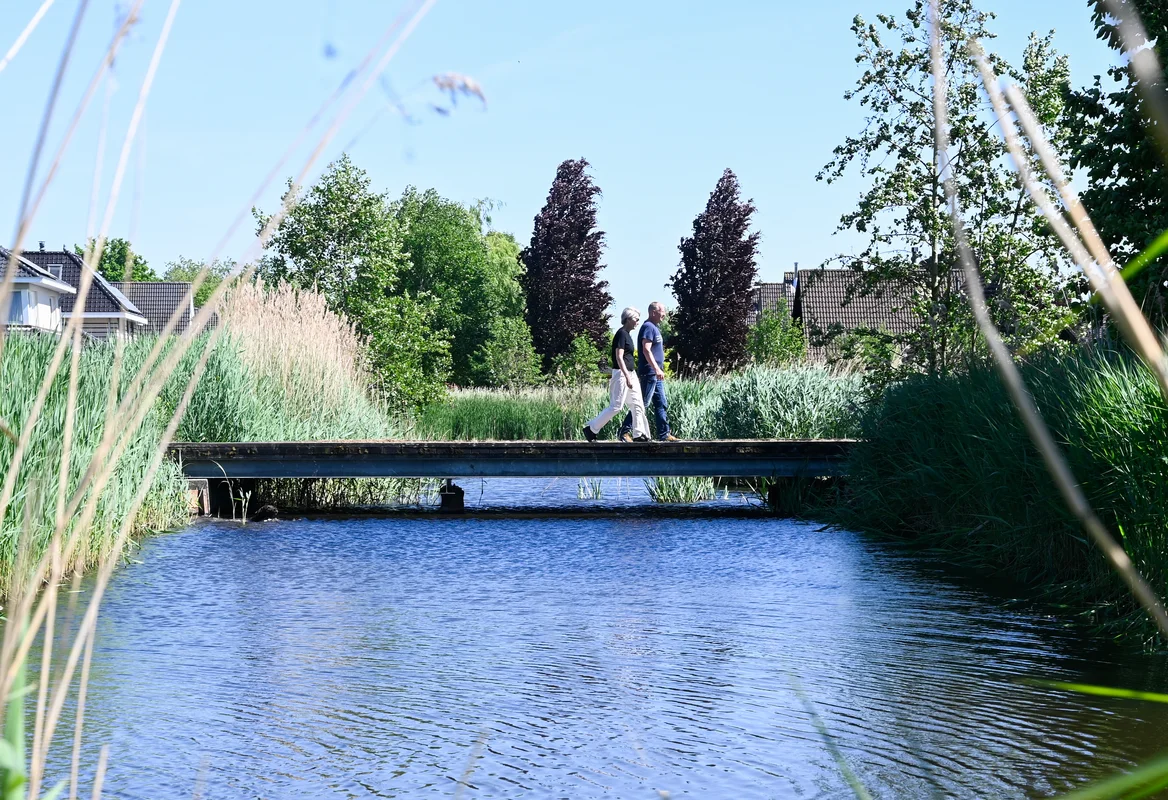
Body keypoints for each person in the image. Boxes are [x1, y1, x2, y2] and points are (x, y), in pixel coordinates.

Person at [583, 308, 651, 443]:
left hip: (631, 373)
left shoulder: (627, 335)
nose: (637, 322)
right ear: (628, 319)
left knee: (638, 404)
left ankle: (639, 434)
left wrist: (631, 375)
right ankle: (591, 429)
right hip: (621, 374)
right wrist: (626, 376)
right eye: (636, 319)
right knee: (616, 406)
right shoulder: (621, 334)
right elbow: (619, 357)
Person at [619, 300, 678, 441]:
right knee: (643, 403)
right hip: (650, 373)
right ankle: (624, 431)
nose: (664, 314)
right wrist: (656, 368)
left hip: (655, 374)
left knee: (661, 403)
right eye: (662, 312)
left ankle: (664, 434)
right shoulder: (648, 327)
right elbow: (646, 349)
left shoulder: (654, 327)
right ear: (653, 312)